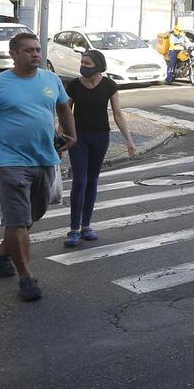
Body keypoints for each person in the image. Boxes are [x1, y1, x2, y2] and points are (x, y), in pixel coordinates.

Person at [0, 33, 77, 302]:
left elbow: (64, 108)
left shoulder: (51, 80)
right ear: (14, 54)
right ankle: (27, 277)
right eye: (29, 50)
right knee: (18, 220)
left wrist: (71, 134)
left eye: (38, 50)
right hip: (11, 162)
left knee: (31, 216)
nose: (36, 54)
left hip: (46, 158)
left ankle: (0, 254)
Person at [62, 50, 137, 248]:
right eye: (82, 62)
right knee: (80, 180)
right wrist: (59, 139)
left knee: (92, 180)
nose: (83, 66)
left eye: (87, 63)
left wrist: (129, 140)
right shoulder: (74, 86)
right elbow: (65, 113)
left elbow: (118, 114)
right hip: (78, 138)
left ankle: (86, 226)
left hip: (100, 137)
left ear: (97, 65)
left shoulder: (109, 85)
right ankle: (74, 229)